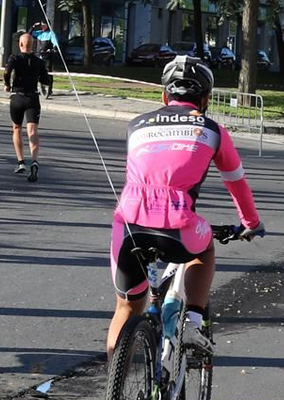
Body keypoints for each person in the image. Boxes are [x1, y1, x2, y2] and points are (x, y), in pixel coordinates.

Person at [107, 57, 264, 357]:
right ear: (204, 99)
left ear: (164, 96)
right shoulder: (212, 130)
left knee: (126, 307)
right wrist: (251, 223)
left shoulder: (135, 125)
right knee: (202, 251)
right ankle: (193, 321)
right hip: (177, 225)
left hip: (127, 224)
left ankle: (113, 398)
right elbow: (237, 184)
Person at [5, 32, 49, 182]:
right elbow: (45, 79)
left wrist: (7, 84)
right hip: (32, 98)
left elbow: (6, 72)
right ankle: (34, 160)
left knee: (17, 128)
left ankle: (20, 161)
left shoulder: (14, 58)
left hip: (18, 96)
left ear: (20, 44)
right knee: (33, 130)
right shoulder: (39, 61)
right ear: (33, 45)